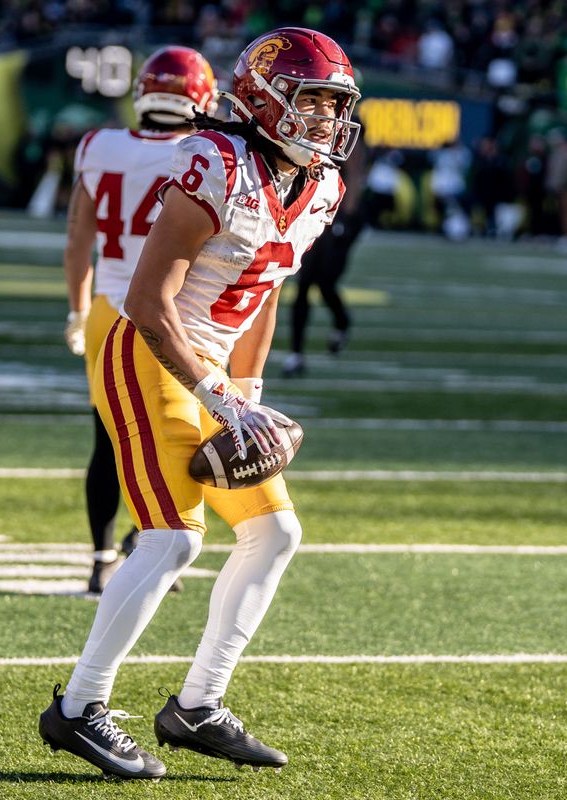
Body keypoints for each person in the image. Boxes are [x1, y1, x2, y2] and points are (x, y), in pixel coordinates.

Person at [38, 27, 361, 780]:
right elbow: (150, 301)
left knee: (276, 533)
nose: (322, 120)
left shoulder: (321, 186)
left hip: (212, 363)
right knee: (170, 539)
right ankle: (79, 707)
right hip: (145, 349)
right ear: (260, 98)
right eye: (307, 101)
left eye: (331, 105)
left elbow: (264, 300)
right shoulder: (217, 164)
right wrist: (215, 390)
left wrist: (247, 395)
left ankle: (197, 706)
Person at [62, 45, 218, 593]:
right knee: (179, 434)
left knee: (109, 437)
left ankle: (104, 557)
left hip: (110, 308)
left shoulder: (98, 144)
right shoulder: (205, 154)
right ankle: (148, 540)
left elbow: (78, 239)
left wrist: (78, 309)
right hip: (181, 313)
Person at [282, 132, 367, 377]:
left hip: (338, 214)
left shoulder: (350, 128)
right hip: (312, 207)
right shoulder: (310, 123)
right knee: (305, 281)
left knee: (325, 281)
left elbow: (355, 173)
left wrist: (346, 219)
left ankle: (342, 322)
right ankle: (296, 354)